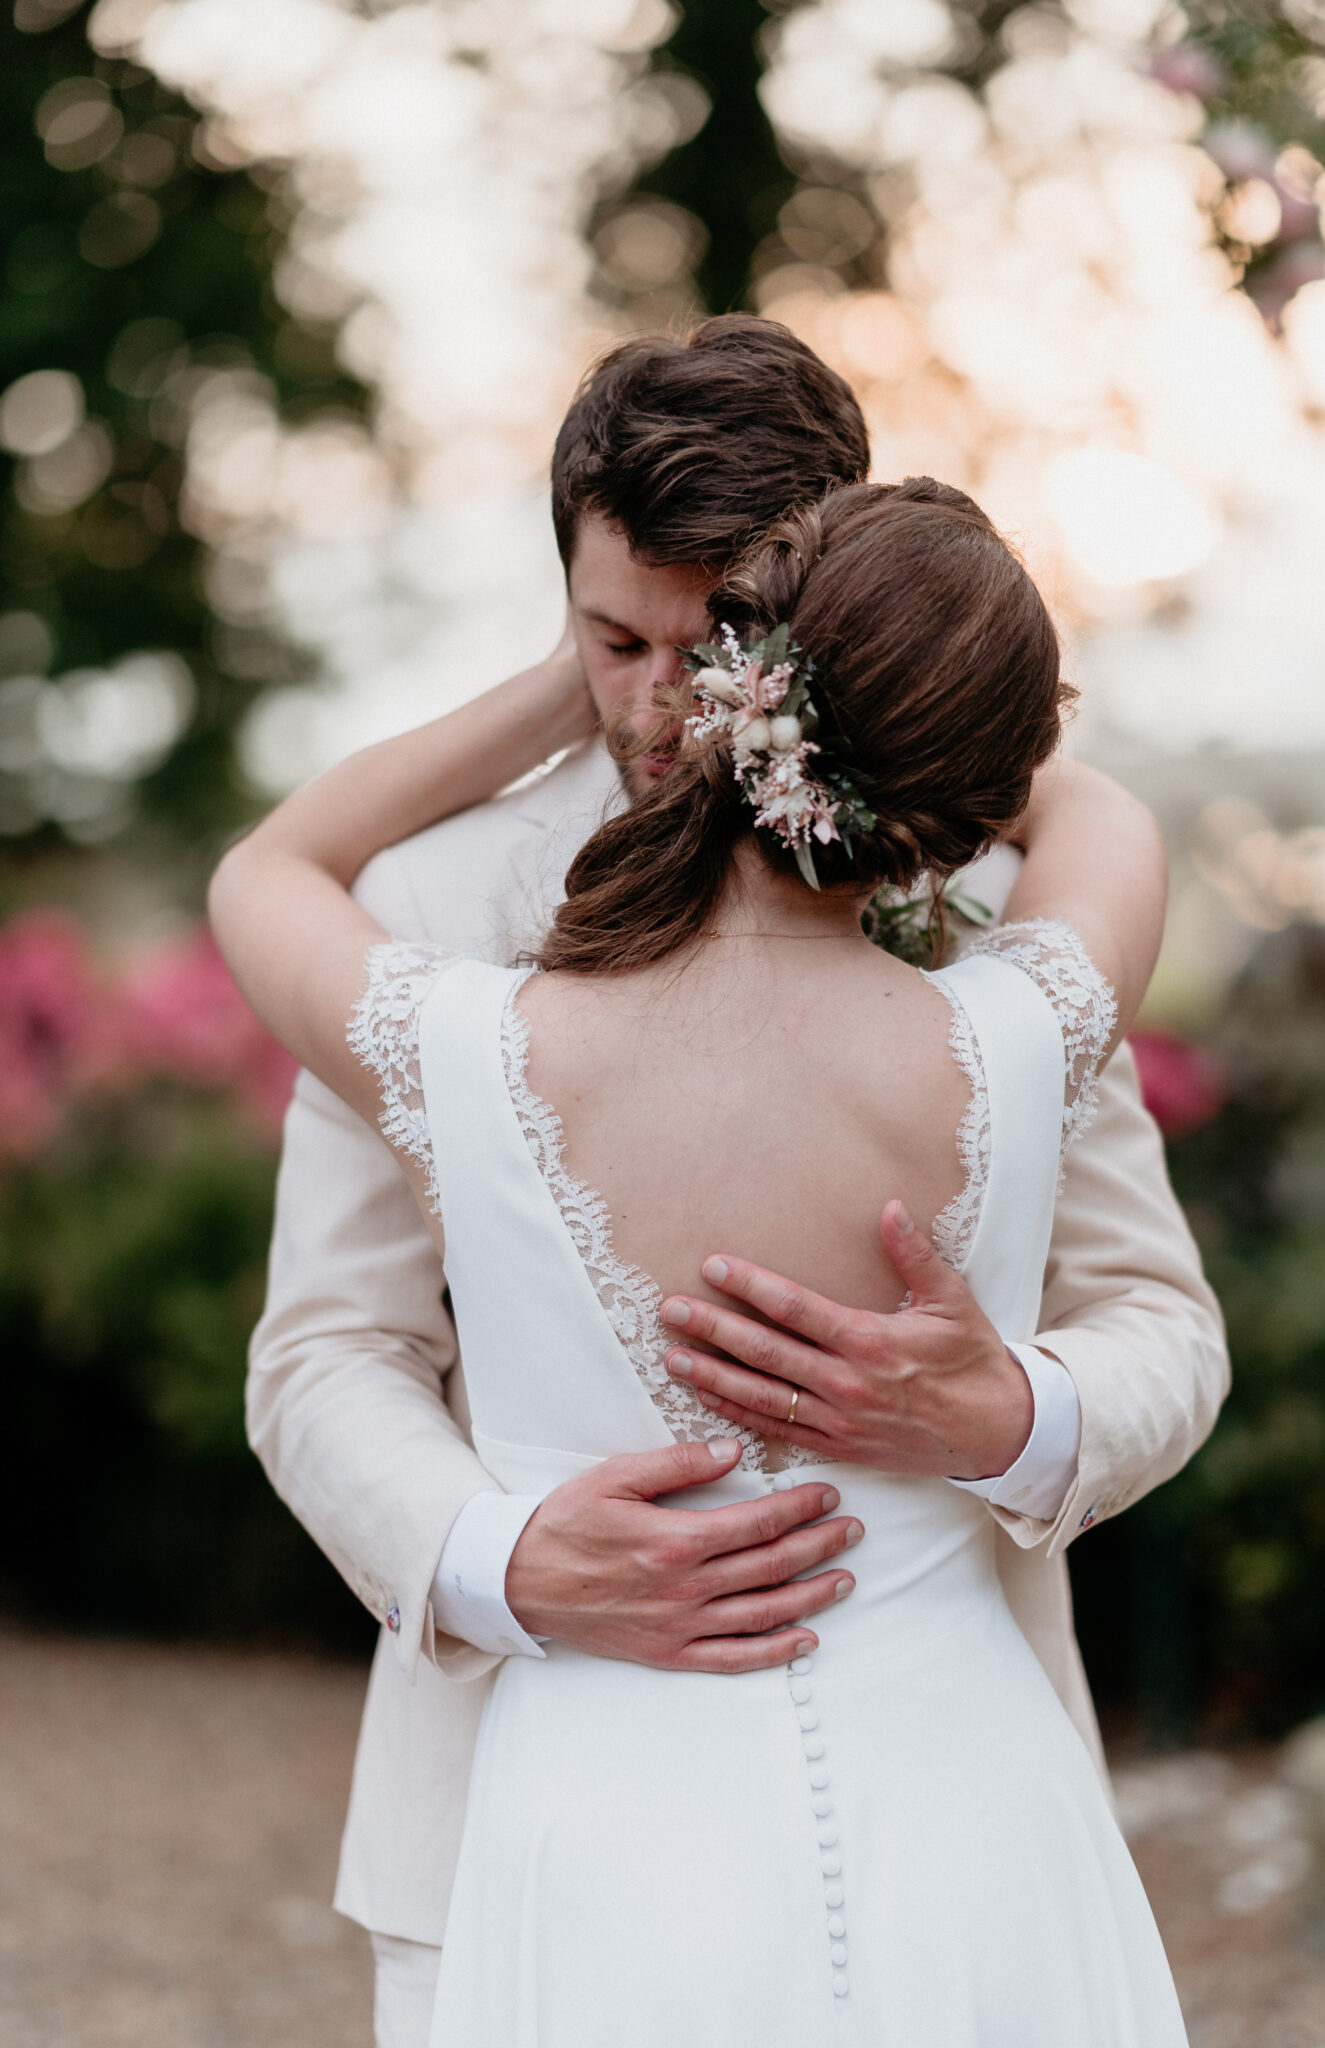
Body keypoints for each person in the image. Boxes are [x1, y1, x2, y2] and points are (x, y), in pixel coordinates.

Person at [245, 318, 1226, 2045]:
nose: (652, 706)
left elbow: (1154, 1319)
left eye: (705, 650)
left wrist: (1013, 1412)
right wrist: (495, 1554)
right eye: (604, 642)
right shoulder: (427, 901)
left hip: (947, 1798)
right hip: (506, 1809)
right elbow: (327, 1352)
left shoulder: (986, 900)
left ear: (801, 616)